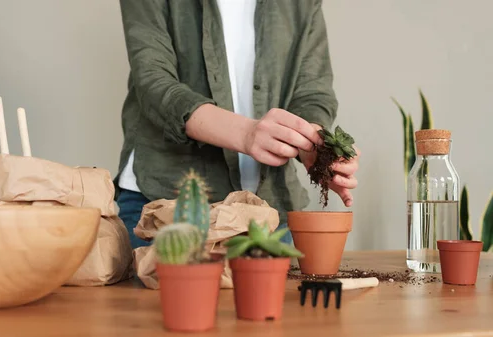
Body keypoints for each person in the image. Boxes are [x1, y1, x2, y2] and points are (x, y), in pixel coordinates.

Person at [114, 0, 360, 249]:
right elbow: (153, 82)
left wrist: (312, 145)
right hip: (167, 206)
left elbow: (312, 93)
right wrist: (246, 134)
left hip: (269, 213)